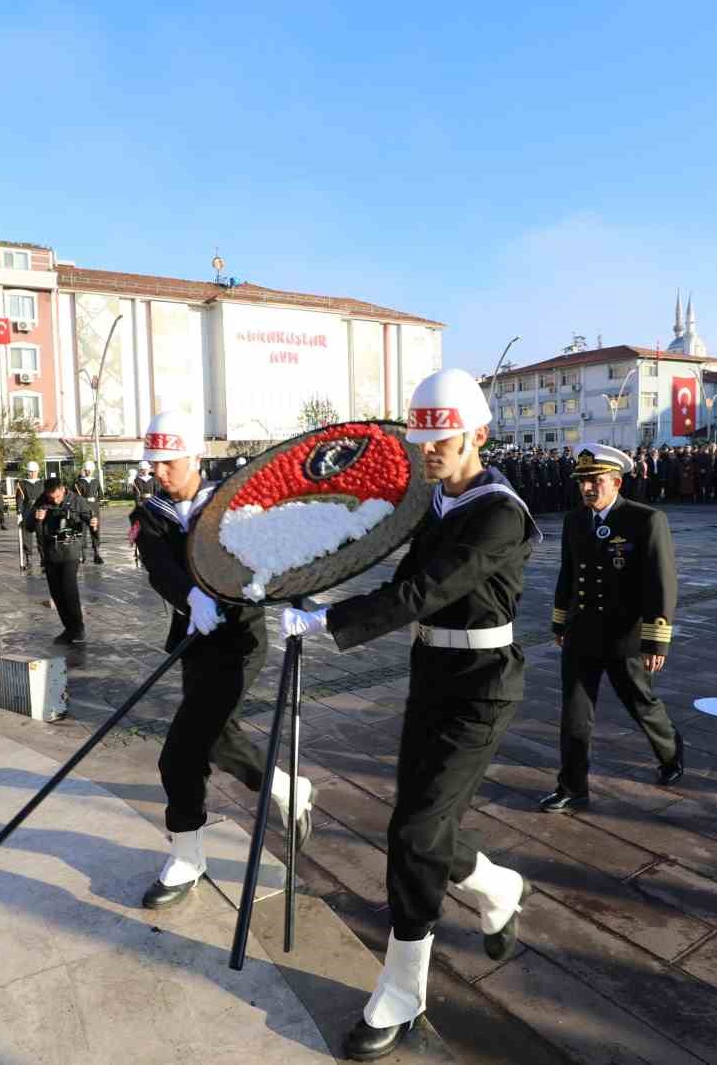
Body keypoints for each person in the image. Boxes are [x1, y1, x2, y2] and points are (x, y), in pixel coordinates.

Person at [281, 368, 536, 1061]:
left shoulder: (499, 512)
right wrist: (316, 596)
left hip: (483, 686)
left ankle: (402, 988)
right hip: (433, 678)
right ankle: (497, 885)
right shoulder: (440, 504)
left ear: (477, 435)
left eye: (443, 440)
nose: (431, 451)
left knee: (417, 831)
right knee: (418, 828)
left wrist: (330, 623)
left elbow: (428, 589)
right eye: (424, 439)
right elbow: (399, 580)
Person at [131, 410, 314, 912]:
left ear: (194, 456)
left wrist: (286, 592)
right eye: (154, 464)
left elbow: (274, 554)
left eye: (168, 462)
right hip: (194, 637)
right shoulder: (151, 513)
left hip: (239, 640)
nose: (160, 472)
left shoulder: (234, 501)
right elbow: (159, 567)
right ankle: (284, 787)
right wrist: (192, 596)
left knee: (181, 753)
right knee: (216, 734)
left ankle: (188, 858)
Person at [542, 444, 683, 814]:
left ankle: (670, 752)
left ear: (617, 482)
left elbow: (661, 583)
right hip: (582, 634)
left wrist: (656, 641)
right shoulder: (575, 521)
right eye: (583, 482)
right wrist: (560, 621)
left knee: (640, 703)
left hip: (625, 638)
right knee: (574, 714)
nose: (588, 488)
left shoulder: (645, 520)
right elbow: (568, 575)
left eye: (596, 481)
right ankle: (572, 786)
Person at [26, 477, 96, 643]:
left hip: (71, 549)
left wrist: (93, 523)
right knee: (56, 593)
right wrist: (37, 517)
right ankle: (69, 629)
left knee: (69, 589)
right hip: (50, 551)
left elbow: (89, 518)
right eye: (52, 497)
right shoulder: (42, 501)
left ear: (63, 489)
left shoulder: (76, 500)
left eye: (57, 496)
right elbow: (28, 526)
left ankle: (78, 628)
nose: (55, 500)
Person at [71, 462, 105, 564]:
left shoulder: (96, 481)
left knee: (95, 529)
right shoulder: (78, 483)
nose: (88, 471)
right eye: (86, 470)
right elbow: (75, 497)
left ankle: (96, 552)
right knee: (82, 530)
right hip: (82, 508)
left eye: (90, 470)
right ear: (84, 470)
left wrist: (95, 500)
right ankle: (82, 554)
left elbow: (101, 495)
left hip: (94, 507)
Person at [15, 461, 45, 572]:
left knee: (41, 535)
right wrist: (19, 512)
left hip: (40, 511)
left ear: (37, 471)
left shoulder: (42, 483)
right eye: (30, 472)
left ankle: (43, 558)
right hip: (27, 512)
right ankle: (28, 559)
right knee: (26, 536)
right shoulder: (22, 484)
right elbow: (19, 499)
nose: (32, 474)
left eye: (34, 472)